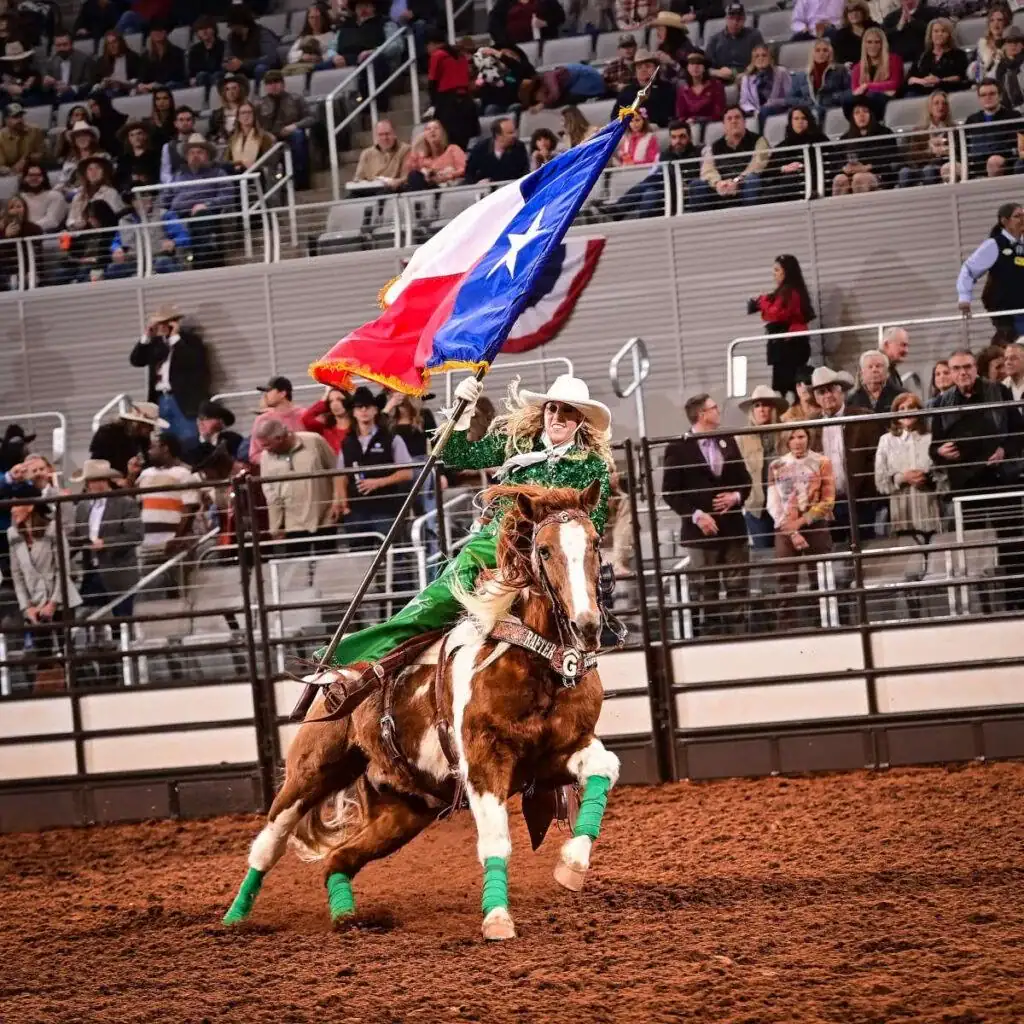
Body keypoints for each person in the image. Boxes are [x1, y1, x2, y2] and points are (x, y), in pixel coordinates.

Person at [317, 372, 614, 670]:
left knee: (584, 591)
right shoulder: (517, 442)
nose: (558, 417)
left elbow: (595, 523)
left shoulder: (592, 464)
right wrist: (462, 416)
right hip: (503, 538)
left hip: (563, 548)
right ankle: (366, 655)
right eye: (553, 408)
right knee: (447, 587)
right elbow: (454, 455)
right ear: (544, 411)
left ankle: (589, 642)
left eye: (568, 411)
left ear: (581, 419)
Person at [930, 348, 1024, 608]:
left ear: (976, 368)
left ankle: (1017, 602)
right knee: (971, 550)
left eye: (967, 367)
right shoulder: (940, 402)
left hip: (1001, 480)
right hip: (965, 486)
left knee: (1012, 545)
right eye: (957, 368)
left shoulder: (999, 392)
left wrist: (1005, 450)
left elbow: (1019, 433)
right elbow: (933, 448)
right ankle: (980, 607)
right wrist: (939, 451)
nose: (963, 373)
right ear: (950, 372)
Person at [662, 392, 752, 635]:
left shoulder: (728, 440)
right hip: (700, 533)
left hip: (733, 529)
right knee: (705, 589)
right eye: (714, 408)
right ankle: (711, 639)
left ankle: (740, 635)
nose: (718, 411)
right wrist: (697, 515)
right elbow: (669, 492)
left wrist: (736, 496)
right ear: (702, 414)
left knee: (738, 586)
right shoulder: (678, 447)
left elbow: (746, 481)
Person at [8, 490, 81, 692]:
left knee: (67, 652)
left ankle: (73, 692)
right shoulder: (13, 534)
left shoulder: (52, 529)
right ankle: (49, 695)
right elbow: (17, 575)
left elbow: (63, 569)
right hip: (34, 603)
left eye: (16, 505)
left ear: (30, 507)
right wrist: (26, 607)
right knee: (43, 655)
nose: (12, 510)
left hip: (61, 599)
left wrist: (53, 602)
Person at [766, 425, 835, 628]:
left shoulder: (823, 462)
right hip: (785, 528)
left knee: (820, 578)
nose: (798, 441)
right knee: (785, 581)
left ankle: (824, 624)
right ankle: (787, 628)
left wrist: (802, 522)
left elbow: (828, 501)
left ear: (808, 438)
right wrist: (793, 530)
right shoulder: (776, 466)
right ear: (787, 441)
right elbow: (773, 503)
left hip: (815, 526)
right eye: (793, 437)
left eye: (801, 436)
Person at [811, 365, 885, 542]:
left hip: (860, 500)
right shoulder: (810, 426)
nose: (828, 395)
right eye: (822, 392)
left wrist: (868, 496)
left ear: (841, 391)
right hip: (826, 504)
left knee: (865, 551)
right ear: (816, 398)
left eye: (832, 389)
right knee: (832, 553)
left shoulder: (862, 418)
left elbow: (876, 457)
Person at [338, 386, 416, 544]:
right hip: (356, 510)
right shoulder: (347, 442)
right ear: (353, 412)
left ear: (375, 410)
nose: (364, 410)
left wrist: (378, 482)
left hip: (385, 508)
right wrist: (344, 506)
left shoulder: (392, 438)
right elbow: (340, 476)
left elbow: (408, 473)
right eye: (359, 407)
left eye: (368, 406)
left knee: (392, 555)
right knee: (360, 557)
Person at [69, 459, 144, 620]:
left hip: (118, 572)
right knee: (89, 615)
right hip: (92, 571)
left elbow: (135, 535)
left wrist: (106, 543)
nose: (89, 485)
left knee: (122, 618)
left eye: (93, 481)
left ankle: (124, 643)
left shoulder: (125, 503)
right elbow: (77, 536)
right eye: (89, 481)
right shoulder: (83, 507)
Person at [129, 303, 210, 448]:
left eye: (163, 323)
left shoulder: (190, 341)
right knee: (166, 441)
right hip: (160, 398)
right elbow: (136, 360)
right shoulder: (155, 344)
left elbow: (192, 361)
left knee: (188, 438)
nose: (160, 327)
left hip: (183, 399)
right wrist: (146, 336)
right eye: (158, 323)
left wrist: (174, 337)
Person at [256, 419, 339, 557]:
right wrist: (276, 527)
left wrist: (337, 501)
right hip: (292, 523)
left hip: (324, 518)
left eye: (267, 445)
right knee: (297, 569)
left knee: (327, 567)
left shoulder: (314, 441)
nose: (265, 449)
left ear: (280, 438)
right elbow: (270, 493)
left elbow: (337, 470)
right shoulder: (266, 457)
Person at [748, 254, 816, 399]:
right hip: (785, 348)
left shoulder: (791, 292)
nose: (774, 274)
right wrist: (763, 302)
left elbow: (777, 314)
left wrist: (761, 303)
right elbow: (771, 313)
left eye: (777, 270)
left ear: (787, 271)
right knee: (784, 388)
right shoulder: (785, 292)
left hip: (791, 347)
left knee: (790, 387)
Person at [957, 202, 1024, 338]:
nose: (1023, 219)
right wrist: (965, 297)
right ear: (1004, 221)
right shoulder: (993, 245)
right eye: (1018, 216)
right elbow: (969, 270)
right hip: (1006, 312)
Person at [168, 134, 233, 267]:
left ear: (207, 155)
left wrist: (206, 204)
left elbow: (228, 196)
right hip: (179, 215)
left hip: (206, 213)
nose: (195, 155)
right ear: (186, 157)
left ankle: (202, 264)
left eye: (199, 152)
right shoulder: (178, 175)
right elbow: (165, 198)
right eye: (191, 153)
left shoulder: (218, 173)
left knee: (201, 218)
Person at [736, 385, 788, 550]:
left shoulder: (786, 432)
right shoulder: (742, 438)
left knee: (788, 550)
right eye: (757, 405)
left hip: (786, 504)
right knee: (764, 553)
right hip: (757, 506)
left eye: (766, 405)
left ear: (773, 408)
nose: (762, 409)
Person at [690, 105, 769, 210]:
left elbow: (757, 165)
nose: (734, 121)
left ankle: (751, 221)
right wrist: (718, 183)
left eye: (737, 117)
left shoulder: (759, 140)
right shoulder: (714, 146)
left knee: (752, 180)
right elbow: (707, 169)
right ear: (724, 125)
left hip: (744, 186)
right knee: (697, 184)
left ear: (744, 122)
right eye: (729, 119)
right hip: (721, 189)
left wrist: (736, 181)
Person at [259, 70, 314, 191]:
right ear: (265, 86)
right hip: (269, 136)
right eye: (269, 83)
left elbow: (311, 118)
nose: (273, 85)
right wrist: (267, 135)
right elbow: (255, 126)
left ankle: (300, 180)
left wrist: (295, 125)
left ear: (283, 84)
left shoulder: (296, 99)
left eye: (276, 82)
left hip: (291, 133)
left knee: (298, 135)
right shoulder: (259, 104)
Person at [829, 97, 898, 194]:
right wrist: (845, 168)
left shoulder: (885, 133)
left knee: (859, 178)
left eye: (865, 111)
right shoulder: (845, 138)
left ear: (871, 114)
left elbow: (892, 157)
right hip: (851, 175)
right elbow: (836, 161)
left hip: (878, 175)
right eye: (857, 113)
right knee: (839, 179)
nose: (861, 115)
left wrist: (868, 167)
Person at [425, 28, 478, 152]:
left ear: (432, 44)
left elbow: (432, 81)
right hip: (466, 102)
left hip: (448, 104)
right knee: (464, 145)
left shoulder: (437, 55)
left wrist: (433, 104)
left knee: (449, 143)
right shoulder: (460, 55)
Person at [89, 402, 168, 477]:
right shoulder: (107, 433)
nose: (152, 429)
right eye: (149, 426)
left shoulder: (142, 439)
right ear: (139, 424)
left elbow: (147, 461)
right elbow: (97, 463)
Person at [897, 89, 954, 188]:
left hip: (941, 166)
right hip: (919, 166)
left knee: (929, 170)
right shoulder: (919, 130)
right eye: (936, 103)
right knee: (904, 172)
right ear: (930, 108)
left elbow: (956, 153)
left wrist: (945, 151)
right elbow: (913, 155)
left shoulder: (953, 129)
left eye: (944, 103)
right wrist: (930, 151)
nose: (941, 107)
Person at [787, 39, 851, 125]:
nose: (821, 53)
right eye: (817, 50)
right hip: (810, 110)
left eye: (825, 50)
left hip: (832, 108)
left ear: (830, 53)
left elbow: (850, 92)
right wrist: (805, 102)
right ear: (812, 53)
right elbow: (790, 98)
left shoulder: (840, 70)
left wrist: (834, 97)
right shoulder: (801, 75)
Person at [770, 104, 829, 198]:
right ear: (791, 122)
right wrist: (784, 168)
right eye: (796, 119)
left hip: (819, 183)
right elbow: (770, 170)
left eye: (803, 118)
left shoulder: (821, 139)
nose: (800, 122)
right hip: (790, 188)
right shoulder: (782, 146)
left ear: (809, 120)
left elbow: (831, 160)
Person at [964, 80, 1018, 179]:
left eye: (992, 94)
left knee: (993, 162)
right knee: (948, 168)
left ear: (1000, 96)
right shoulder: (971, 120)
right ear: (979, 99)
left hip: (1003, 162)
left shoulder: (1013, 116)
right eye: (983, 95)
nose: (987, 97)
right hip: (975, 163)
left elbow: (1015, 146)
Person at [249, 375, 308, 462]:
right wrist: (277, 463)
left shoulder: (304, 414)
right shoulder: (263, 420)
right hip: (276, 472)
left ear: (282, 393)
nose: (266, 395)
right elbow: (254, 454)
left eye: (269, 391)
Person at [612, 48, 676, 127]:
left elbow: (672, 115)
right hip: (632, 132)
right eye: (639, 67)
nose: (643, 70)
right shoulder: (626, 92)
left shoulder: (667, 89)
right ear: (635, 73)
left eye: (648, 66)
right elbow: (615, 117)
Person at [850, 25, 903, 118]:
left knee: (873, 95)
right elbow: (855, 91)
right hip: (864, 102)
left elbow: (894, 84)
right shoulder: (858, 67)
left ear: (882, 44)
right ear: (864, 45)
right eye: (869, 42)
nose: (873, 46)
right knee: (847, 98)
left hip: (888, 102)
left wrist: (866, 86)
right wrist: (881, 87)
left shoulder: (894, 59)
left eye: (877, 42)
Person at [905, 17, 967, 95]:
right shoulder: (922, 55)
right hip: (922, 92)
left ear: (949, 35)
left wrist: (939, 80)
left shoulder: (958, 54)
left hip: (947, 91)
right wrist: (924, 81)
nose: (939, 34)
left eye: (943, 31)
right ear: (931, 35)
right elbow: (910, 79)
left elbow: (959, 77)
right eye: (936, 31)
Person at [705, 2, 764, 85]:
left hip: (749, 78)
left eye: (739, 19)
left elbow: (762, 59)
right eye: (731, 18)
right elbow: (706, 68)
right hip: (722, 80)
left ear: (744, 20)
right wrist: (718, 72)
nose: (735, 22)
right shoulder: (714, 40)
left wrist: (746, 73)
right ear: (726, 18)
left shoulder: (754, 35)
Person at [404, 119, 466, 190]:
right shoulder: (423, 158)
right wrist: (415, 145)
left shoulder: (453, 149)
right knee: (414, 176)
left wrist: (450, 175)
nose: (432, 131)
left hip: (449, 188)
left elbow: (465, 169)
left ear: (443, 134)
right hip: (430, 188)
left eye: (436, 128)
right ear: (425, 136)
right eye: (428, 129)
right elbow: (409, 173)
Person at [223, 5, 279, 84]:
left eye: (232, 25)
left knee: (260, 68)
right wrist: (228, 64)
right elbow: (226, 58)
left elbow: (270, 58)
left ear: (240, 23)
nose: (230, 28)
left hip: (259, 68)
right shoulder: (231, 37)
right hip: (241, 71)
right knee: (222, 75)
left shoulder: (262, 33)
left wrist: (243, 63)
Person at [464, 117, 529, 184]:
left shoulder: (519, 148)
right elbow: (469, 174)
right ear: (498, 135)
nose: (515, 135)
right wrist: (477, 183)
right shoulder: (480, 149)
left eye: (514, 131)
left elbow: (524, 172)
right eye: (510, 133)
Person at [739, 44, 792, 124]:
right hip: (756, 113)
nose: (760, 58)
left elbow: (790, 96)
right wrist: (754, 111)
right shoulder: (746, 78)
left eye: (764, 55)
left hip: (779, 108)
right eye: (757, 56)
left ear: (770, 58)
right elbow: (744, 102)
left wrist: (773, 103)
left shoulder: (781, 72)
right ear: (753, 60)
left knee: (765, 111)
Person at [353, 119, 411, 189]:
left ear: (394, 134)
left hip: (392, 189)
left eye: (387, 134)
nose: (384, 138)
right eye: (380, 135)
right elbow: (358, 178)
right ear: (376, 136)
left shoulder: (405, 149)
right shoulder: (366, 153)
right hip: (370, 189)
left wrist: (396, 182)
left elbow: (406, 177)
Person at [41, 29, 95, 103]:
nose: (62, 48)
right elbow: (46, 88)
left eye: (65, 44)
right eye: (58, 45)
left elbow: (88, 84)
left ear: (71, 44)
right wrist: (46, 84)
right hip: (56, 98)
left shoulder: (84, 59)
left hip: (77, 98)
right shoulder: (51, 62)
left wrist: (70, 88)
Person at [881, 0, 940, 68]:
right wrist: (899, 27)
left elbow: (935, 32)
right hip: (896, 64)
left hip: (924, 63)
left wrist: (912, 21)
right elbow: (883, 37)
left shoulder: (932, 13)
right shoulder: (890, 17)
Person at [674, 50, 726, 126]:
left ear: (705, 67)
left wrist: (697, 120)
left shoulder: (716, 86)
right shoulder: (682, 90)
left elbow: (719, 113)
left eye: (699, 63)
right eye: (692, 63)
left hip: (712, 126)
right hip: (690, 127)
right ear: (687, 67)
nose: (695, 66)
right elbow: (681, 116)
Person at [137, 18, 186, 92]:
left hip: (172, 87)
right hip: (152, 89)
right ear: (151, 34)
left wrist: (158, 85)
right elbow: (143, 78)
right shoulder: (145, 56)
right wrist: (144, 86)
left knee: (171, 84)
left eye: (161, 31)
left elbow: (178, 76)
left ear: (166, 33)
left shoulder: (176, 52)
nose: (158, 33)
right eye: (155, 31)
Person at [487, 0, 565, 47]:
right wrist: (505, 44)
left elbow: (560, 16)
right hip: (514, 46)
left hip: (542, 44)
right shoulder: (504, 2)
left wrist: (545, 23)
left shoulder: (545, 1)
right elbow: (494, 24)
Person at [17, 160, 66, 232]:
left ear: (44, 178)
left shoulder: (56, 196)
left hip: (47, 236)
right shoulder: (19, 198)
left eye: (38, 175)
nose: (34, 178)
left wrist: (27, 230)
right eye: (30, 175)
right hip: (22, 237)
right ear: (24, 178)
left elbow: (52, 221)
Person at [227, 101, 275, 171]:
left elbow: (270, 161)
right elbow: (227, 161)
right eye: (243, 113)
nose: (246, 115)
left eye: (249, 112)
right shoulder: (233, 139)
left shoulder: (264, 137)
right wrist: (240, 163)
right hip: (236, 173)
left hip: (256, 173)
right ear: (238, 118)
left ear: (254, 116)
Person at [300, 387, 350, 454]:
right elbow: (306, 419)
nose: (335, 404)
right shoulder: (326, 429)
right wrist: (324, 399)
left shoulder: (358, 426)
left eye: (339, 399)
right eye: (331, 401)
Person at [969, 6, 1011, 86]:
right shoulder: (981, 46)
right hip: (986, 86)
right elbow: (976, 76)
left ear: (1006, 23)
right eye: (992, 20)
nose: (996, 23)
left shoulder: (1013, 44)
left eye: (1000, 20)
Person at [0, 104, 45, 178]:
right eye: (15, 117)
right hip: (9, 176)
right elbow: (1, 166)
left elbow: (42, 153)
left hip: (33, 170)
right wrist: (12, 171)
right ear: (6, 120)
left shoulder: (34, 130)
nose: (20, 120)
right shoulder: (1, 137)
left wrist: (27, 160)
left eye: (21, 116)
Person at [94, 30, 141, 96]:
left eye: (114, 42)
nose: (112, 46)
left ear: (121, 42)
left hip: (127, 90)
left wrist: (123, 84)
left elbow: (139, 78)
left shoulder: (132, 57)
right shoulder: (102, 61)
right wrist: (103, 83)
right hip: (107, 90)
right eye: (109, 44)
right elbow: (95, 81)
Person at [208, 73, 250, 146]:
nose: (231, 92)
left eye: (234, 88)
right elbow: (211, 134)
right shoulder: (216, 114)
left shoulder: (250, 110)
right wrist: (216, 138)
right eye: (227, 89)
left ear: (241, 90)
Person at [832, 0, 877, 66]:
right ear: (846, 15)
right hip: (851, 69)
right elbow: (838, 58)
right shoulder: (841, 35)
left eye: (857, 11)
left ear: (863, 13)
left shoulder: (875, 28)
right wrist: (844, 64)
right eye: (850, 12)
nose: (854, 14)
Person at [187, 15, 226, 90]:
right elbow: (192, 71)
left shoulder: (223, 45)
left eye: (207, 28)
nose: (204, 32)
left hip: (218, 77)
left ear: (214, 29)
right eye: (201, 29)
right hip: (201, 79)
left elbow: (223, 67)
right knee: (202, 75)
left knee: (216, 75)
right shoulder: (194, 49)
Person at [159, 105, 196, 184]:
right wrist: (174, 183)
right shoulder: (168, 147)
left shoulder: (203, 143)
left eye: (188, 120)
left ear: (193, 122)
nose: (185, 123)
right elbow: (165, 173)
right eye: (181, 120)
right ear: (175, 123)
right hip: (178, 186)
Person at [995, 25, 1024, 111]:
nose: (1013, 44)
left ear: (1023, 45)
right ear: (1004, 45)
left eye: (1017, 41)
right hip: (1007, 112)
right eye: (1009, 41)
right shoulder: (999, 67)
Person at [879, 326, 911, 393]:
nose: (906, 350)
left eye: (907, 346)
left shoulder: (892, 370)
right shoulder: (875, 366)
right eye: (903, 345)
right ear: (886, 345)